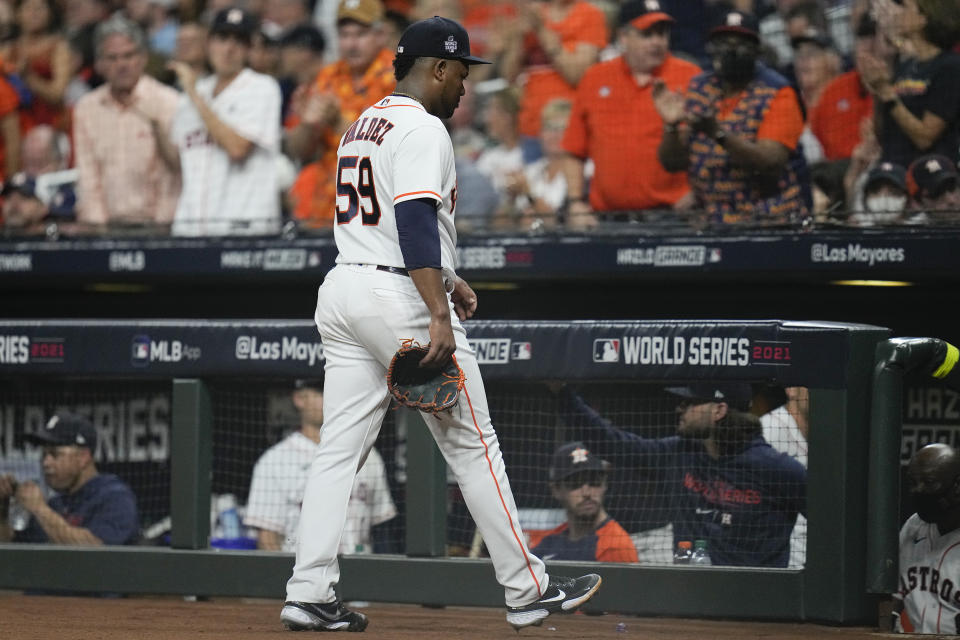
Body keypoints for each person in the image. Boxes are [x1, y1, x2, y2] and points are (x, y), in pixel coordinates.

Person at [281, 16, 601, 633]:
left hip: (346, 287)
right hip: (397, 296)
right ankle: (527, 589)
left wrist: (447, 278)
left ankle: (309, 591)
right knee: (473, 444)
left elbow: (387, 226)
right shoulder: (424, 127)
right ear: (436, 67)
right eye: (460, 72)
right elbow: (415, 222)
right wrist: (436, 310)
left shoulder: (361, 122)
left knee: (337, 451)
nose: (465, 87)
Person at [559, 382, 807, 567]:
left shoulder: (777, 469)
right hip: (691, 601)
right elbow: (613, 444)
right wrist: (562, 394)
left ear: (719, 410)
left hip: (758, 610)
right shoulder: (680, 453)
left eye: (690, 403)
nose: (680, 408)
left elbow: (835, 527)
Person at [655, 10, 810, 226]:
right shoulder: (701, 86)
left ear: (757, 50)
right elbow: (672, 163)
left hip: (770, 223)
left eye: (741, 44)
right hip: (712, 221)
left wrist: (717, 134)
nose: (731, 51)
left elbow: (769, 162)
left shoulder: (778, 92)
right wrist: (671, 126)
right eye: (723, 43)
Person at [560, 0, 700, 227]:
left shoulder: (690, 76)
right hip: (609, 221)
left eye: (662, 33)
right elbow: (573, 150)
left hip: (673, 218)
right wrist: (576, 202)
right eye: (647, 34)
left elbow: (709, 145)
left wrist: (700, 191)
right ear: (623, 37)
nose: (657, 41)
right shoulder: (595, 78)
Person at [244, 377, 397, 553]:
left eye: (334, 388)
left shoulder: (369, 454)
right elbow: (268, 538)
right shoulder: (274, 460)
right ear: (299, 399)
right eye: (321, 391)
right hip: (305, 573)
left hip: (361, 570)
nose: (330, 396)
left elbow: (382, 529)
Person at [166, 7, 282, 237]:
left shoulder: (262, 88)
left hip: (245, 231)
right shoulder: (193, 94)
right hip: (191, 229)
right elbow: (176, 161)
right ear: (209, 43)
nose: (229, 48)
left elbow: (237, 148)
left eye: (239, 41)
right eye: (222, 38)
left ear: (249, 49)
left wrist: (194, 96)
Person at [284, 0, 395, 230]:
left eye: (360, 34)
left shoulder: (397, 77)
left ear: (381, 34)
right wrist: (307, 124)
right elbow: (298, 152)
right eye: (344, 35)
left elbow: (387, 151)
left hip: (377, 213)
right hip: (328, 211)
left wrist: (337, 121)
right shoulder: (327, 77)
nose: (351, 44)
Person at [73, 15, 181, 232]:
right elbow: (88, 175)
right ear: (99, 64)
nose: (121, 65)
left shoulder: (169, 102)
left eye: (128, 56)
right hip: (105, 228)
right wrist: (100, 231)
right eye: (112, 58)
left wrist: (162, 229)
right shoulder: (86, 108)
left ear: (142, 58)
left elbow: (172, 176)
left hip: (161, 226)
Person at [0, 412, 139, 545]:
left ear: (83, 458)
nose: (46, 463)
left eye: (55, 454)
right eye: (44, 455)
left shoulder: (114, 497)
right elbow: (15, 551)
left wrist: (39, 508)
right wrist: (2, 512)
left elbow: (96, 550)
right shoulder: (56, 504)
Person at [860, 0, 960, 168]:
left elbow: (925, 138)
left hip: (929, 177)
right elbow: (883, 135)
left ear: (923, 18)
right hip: (893, 171)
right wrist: (877, 90)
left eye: (904, 7)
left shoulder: (950, 67)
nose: (898, 13)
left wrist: (886, 92)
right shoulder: (905, 66)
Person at [499, 0, 608, 139]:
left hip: (572, 126)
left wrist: (541, 29)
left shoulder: (589, 14)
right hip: (532, 127)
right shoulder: (531, 15)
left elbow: (578, 75)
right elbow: (508, 76)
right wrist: (519, 39)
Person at [530, 441, 638, 563]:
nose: (587, 493)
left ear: (605, 485)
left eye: (594, 481)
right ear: (556, 490)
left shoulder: (615, 547)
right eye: (575, 483)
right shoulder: (550, 541)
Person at [894, 443, 960, 634]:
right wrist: (891, 612)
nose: (918, 490)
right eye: (913, 483)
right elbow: (894, 588)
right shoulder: (913, 527)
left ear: (957, 485)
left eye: (929, 482)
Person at [809, 13, 886, 162]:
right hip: (837, 167)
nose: (866, 58)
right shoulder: (835, 89)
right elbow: (816, 134)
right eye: (862, 50)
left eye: (872, 52)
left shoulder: (896, 85)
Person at [849, 161, 910, 226]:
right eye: (876, 191)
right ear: (865, 198)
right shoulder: (856, 231)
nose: (884, 198)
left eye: (893, 192)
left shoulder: (916, 231)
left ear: (906, 198)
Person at [907, 153, 960, 225]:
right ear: (917, 203)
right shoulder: (910, 232)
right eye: (937, 193)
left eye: (952, 188)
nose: (951, 200)